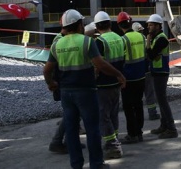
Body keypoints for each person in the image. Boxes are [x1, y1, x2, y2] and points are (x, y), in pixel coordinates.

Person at [43, 9, 126, 169]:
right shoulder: (87, 42)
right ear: (80, 24)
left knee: (72, 130)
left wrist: (51, 83)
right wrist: (118, 74)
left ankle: (76, 165)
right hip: (86, 91)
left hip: (67, 93)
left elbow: (47, 70)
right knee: (92, 129)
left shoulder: (57, 44)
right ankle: (96, 164)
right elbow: (100, 64)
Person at [93, 11, 125, 159]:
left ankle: (112, 146)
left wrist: (94, 77)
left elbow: (99, 65)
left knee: (103, 116)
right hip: (117, 82)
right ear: (110, 24)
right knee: (113, 114)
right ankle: (115, 139)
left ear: (97, 26)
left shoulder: (100, 42)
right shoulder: (119, 38)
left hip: (104, 84)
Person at [146, 14, 179, 139]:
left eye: (152, 25)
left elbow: (151, 55)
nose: (149, 27)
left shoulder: (161, 39)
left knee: (162, 101)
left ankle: (171, 128)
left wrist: (148, 41)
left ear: (158, 26)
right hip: (157, 72)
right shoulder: (156, 38)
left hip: (161, 73)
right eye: (148, 25)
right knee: (161, 100)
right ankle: (164, 125)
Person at [117, 12, 147, 144]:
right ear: (131, 22)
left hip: (128, 78)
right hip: (141, 76)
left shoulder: (122, 40)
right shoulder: (141, 36)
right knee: (139, 104)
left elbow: (120, 59)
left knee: (129, 107)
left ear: (119, 25)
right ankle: (139, 132)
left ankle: (132, 134)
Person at [133, 22, 160, 121]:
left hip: (135, 72)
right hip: (146, 70)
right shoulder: (145, 40)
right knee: (149, 93)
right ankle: (152, 113)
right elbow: (150, 54)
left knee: (137, 95)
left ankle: (136, 115)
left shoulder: (130, 40)